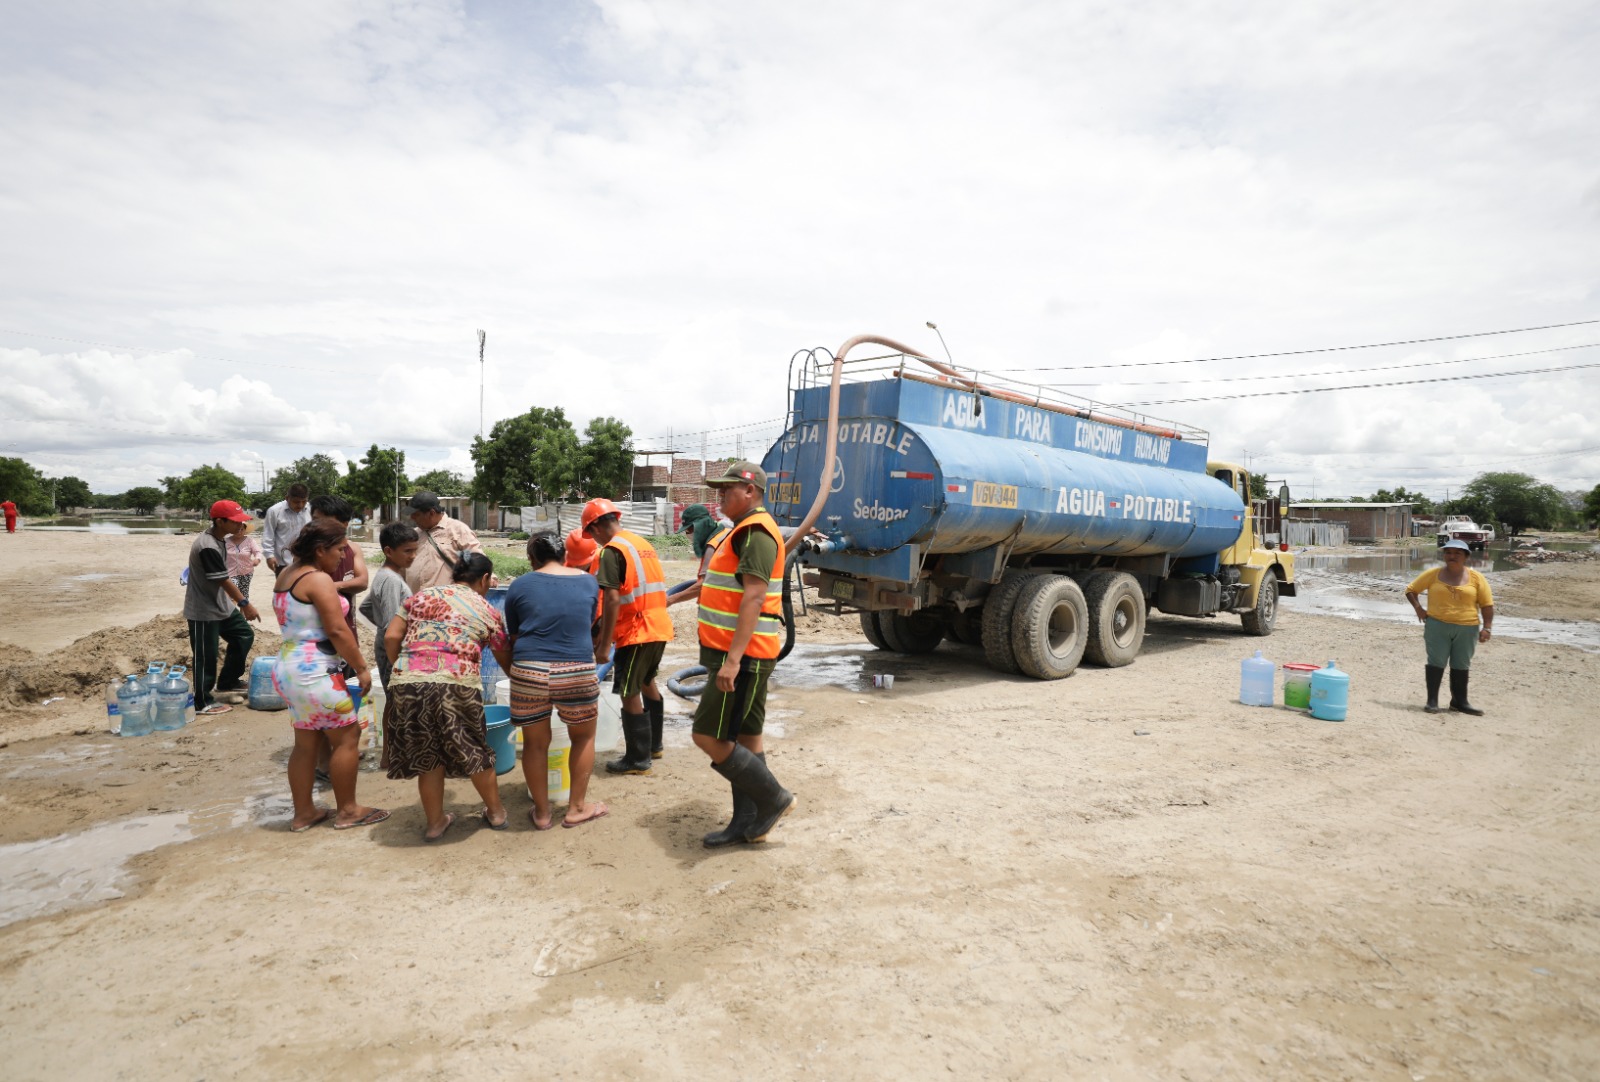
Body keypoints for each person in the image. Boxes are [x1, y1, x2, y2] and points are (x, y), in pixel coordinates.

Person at [691, 462, 795, 847]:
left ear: (750, 492)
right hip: (745, 652)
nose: (720, 496)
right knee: (747, 736)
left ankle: (774, 799)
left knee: (707, 734)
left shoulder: (754, 531)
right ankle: (746, 822)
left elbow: (753, 595)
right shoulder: (742, 531)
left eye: (727, 490)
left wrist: (733, 661)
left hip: (742, 655)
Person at [381, 551, 510, 841]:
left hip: (408, 682)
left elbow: (391, 637)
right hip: (456, 684)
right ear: (485, 579)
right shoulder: (488, 610)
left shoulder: (420, 597)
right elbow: (503, 657)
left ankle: (435, 822)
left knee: (428, 755)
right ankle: (496, 813)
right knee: (475, 750)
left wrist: (404, 668)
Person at [271, 518, 388, 832]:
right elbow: (336, 629)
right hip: (316, 670)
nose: (341, 556)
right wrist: (362, 668)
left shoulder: (286, 574)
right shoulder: (318, 580)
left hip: (288, 667)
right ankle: (348, 810)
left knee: (305, 742)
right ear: (320, 550)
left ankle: (304, 813)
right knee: (347, 738)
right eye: (338, 549)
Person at [504, 533, 607, 829]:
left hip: (529, 670)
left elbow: (514, 636)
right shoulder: (588, 581)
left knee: (535, 745)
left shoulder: (519, 584)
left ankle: (542, 813)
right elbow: (587, 622)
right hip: (576, 668)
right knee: (583, 737)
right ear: (565, 556)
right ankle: (576, 809)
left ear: (531, 559)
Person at [584, 498, 674, 773]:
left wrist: (603, 646)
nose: (594, 540)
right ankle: (654, 746)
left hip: (637, 631)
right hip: (657, 624)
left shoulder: (613, 551)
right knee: (647, 681)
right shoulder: (641, 543)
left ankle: (637, 759)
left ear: (598, 525)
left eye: (592, 533)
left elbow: (611, 599)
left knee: (627, 691)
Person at [185, 500, 261, 715]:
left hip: (221, 604)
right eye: (236, 522)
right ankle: (201, 702)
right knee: (205, 655)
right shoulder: (207, 545)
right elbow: (222, 580)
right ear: (220, 521)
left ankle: (228, 680)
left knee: (243, 635)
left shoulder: (219, 540)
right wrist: (245, 603)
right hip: (203, 609)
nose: (241, 526)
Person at [1406, 538, 1494, 716]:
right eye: (1448, 552)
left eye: (1457, 553)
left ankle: (1459, 702)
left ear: (1466, 557)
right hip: (1437, 626)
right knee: (1436, 662)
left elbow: (1487, 605)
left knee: (1461, 664)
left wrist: (1487, 628)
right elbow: (1411, 590)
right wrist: (1418, 609)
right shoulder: (1433, 574)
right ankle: (1432, 701)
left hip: (1467, 628)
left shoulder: (1477, 578)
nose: (1451, 556)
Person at [359, 522, 419, 689]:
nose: (413, 555)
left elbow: (366, 607)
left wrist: (380, 623)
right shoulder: (391, 580)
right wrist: (397, 661)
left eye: (415, 550)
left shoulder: (386, 574)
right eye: (408, 551)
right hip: (393, 650)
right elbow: (391, 626)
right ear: (388, 551)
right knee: (397, 700)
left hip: (386, 645)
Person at [308, 494, 369, 637]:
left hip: (346, 624)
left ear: (344, 524)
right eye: (315, 520)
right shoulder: (307, 551)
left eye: (325, 521)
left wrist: (333, 586)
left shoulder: (353, 549)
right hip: (317, 629)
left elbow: (363, 582)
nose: (317, 526)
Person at [405, 491, 485, 593]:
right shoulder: (415, 534)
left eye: (416, 514)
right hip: (417, 603)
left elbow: (477, 560)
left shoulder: (457, 530)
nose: (412, 518)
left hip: (446, 603)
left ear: (431, 513)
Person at [262, 483, 311, 572]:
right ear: (287, 498)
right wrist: (269, 556)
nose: (300, 505)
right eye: (296, 502)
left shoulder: (311, 509)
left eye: (304, 501)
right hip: (283, 562)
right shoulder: (274, 511)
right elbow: (268, 535)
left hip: (307, 561)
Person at [224, 522, 263, 602]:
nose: (239, 531)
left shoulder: (250, 541)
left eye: (242, 529)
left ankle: (242, 613)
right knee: (232, 594)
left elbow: (258, 552)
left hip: (246, 572)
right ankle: (232, 613)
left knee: (243, 595)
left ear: (245, 530)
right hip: (230, 572)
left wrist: (257, 559)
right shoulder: (225, 542)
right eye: (237, 529)